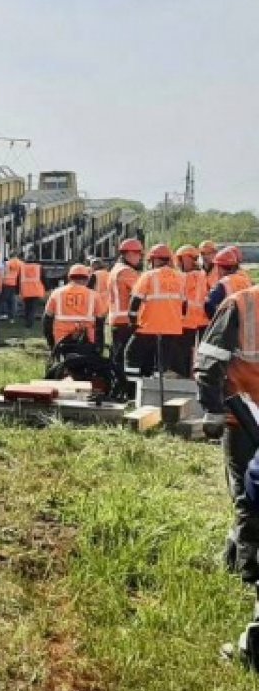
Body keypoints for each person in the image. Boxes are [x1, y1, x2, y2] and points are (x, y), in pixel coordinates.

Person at [195, 284, 259, 585]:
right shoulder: (242, 305)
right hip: (245, 419)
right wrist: (213, 409)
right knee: (249, 497)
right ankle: (246, 573)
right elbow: (210, 360)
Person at [125, 244, 185, 376]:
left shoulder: (148, 276)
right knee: (161, 361)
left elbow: (135, 300)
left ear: (155, 260)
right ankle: (157, 388)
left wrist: (132, 321)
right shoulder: (180, 277)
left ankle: (131, 387)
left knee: (132, 354)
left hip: (148, 326)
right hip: (172, 328)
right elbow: (184, 304)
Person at [43, 263, 107, 351]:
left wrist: (51, 343)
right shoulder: (94, 295)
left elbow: (47, 319)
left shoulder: (57, 293)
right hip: (87, 339)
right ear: (87, 279)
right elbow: (100, 321)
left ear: (69, 278)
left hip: (61, 339)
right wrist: (99, 345)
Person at [108, 238, 144, 371]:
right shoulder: (126, 272)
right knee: (127, 358)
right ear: (129, 253)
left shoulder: (116, 269)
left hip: (117, 319)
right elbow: (142, 291)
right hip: (126, 320)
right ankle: (125, 388)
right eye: (139, 254)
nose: (140, 258)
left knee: (117, 357)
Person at [174, 244, 209, 377]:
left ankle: (182, 375)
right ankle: (188, 375)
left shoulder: (187, 277)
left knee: (182, 351)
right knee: (189, 351)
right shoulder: (201, 275)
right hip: (195, 320)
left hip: (185, 320)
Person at [205, 245, 252, 319]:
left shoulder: (224, 283)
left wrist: (218, 321)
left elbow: (209, 304)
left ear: (219, 267)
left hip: (230, 325)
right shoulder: (246, 280)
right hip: (246, 323)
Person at [18, 252, 46, 329]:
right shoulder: (39, 267)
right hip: (35, 291)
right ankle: (30, 323)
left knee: (27, 307)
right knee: (32, 308)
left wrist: (18, 290)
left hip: (25, 291)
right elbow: (44, 279)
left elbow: (18, 279)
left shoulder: (22, 267)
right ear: (34, 258)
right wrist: (47, 288)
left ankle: (27, 321)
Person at [0, 250, 23, 320]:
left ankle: (4, 314)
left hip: (5, 283)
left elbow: (3, 272)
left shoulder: (7, 263)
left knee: (3, 300)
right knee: (12, 300)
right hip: (14, 283)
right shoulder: (21, 263)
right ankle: (12, 315)